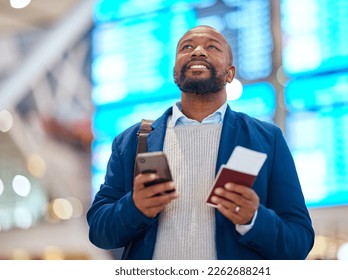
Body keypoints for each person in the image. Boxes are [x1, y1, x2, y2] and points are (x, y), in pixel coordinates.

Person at [87, 25, 314, 260]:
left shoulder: (267, 140)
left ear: (230, 73)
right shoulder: (130, 142)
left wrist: (253, 219)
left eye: (212, 47)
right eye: (187, 47)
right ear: (175, 70)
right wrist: (134, 207)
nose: (197, 51)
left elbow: (299, 241)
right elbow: (99, 232)